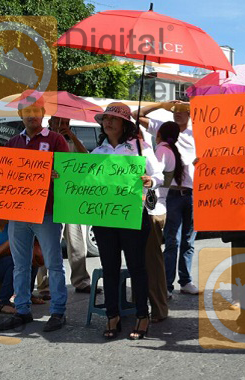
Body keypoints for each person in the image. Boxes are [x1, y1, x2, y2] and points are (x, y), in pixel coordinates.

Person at [0, 94, 70, 332]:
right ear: (20, 115)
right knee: (20, 264)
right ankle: (22, 310)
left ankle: (58, 312)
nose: (32, 115)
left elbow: (69, 173)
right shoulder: (13, 143)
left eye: (36, 110)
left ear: (43, 114)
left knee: (53, 263)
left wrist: (57, 174)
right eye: (27, 111)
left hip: (47, 213)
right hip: (19, 214)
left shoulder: (56, 140)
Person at [91, 102, 163, 340]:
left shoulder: (140, 147)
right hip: (104, 219)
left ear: (124, 124)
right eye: (105, 119)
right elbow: (84, 182)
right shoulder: (97, 153)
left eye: (114, 118)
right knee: (109, 268)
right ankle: (113, 316)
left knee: (137, 267)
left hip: (133, 215)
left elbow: (158, 175)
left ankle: (143, 315)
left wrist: (149, 181)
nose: (108, 122)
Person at [135, 101, 198, 297]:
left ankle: (185, 280)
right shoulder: (163, 129)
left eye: (182, 111)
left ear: (190, 114)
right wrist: (163, 104)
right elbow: (137, 114)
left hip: (193, 193)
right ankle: (167, 285)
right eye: (174, 111)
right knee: (173, 241)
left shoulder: (198, 134)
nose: (177, 113)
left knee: (189, 241)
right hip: (171, 194)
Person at [47, 116, 93, 294]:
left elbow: (86, 159)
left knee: (77, 242)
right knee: (48, 244)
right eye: (59, 123)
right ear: (50, 123)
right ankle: (45, 287)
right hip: (50, 200)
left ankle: (81, 281)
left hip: (71, 198)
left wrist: (71, 137)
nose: (62, 126)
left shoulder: (73, 142)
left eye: (66, 123)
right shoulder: (45, 141)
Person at [146, 121, 184, 322]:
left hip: (153, 208)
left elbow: (156, 176)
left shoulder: (161, 150)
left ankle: (158, 307)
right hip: (160, 206)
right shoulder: (171, 150)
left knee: (152, 260)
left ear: (159, 133)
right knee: (153, 258)